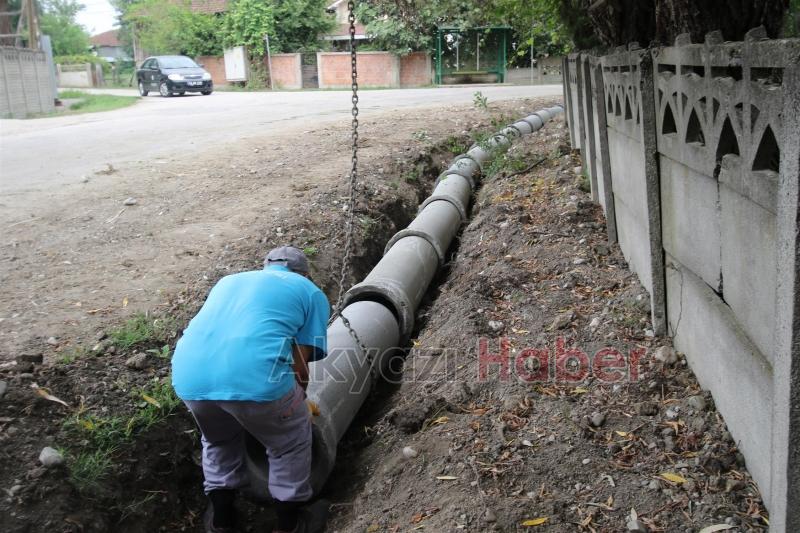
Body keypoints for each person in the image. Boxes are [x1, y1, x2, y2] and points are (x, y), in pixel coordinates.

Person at [172, 246, 330, 533]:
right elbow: (300, 361)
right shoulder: (308, 290)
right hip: (257, 379)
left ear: (265, 266)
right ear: (305, 273)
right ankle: (291, 523)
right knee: (289, 442)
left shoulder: (228, 281)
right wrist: (299, 403)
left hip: (189, 378)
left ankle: (222, 520)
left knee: (219, 441)